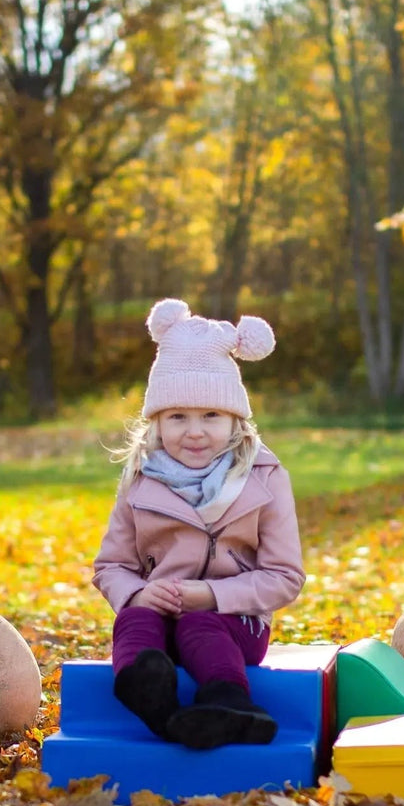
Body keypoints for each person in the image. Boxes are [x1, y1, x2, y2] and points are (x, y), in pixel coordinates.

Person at [93, 298, 306, 750]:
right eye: (178, 417)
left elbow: (285, 577)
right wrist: (137, 591)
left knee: (198, 624)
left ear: (235, 419)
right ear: (157, 423)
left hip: (234, 620)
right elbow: (110, 565)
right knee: (133, 620)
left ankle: (230, 702)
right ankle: (152, 699)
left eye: (211, 415)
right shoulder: (141, 479)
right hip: (160, 614)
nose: (194, 431)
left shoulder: (264, 479)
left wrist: (210, 595)